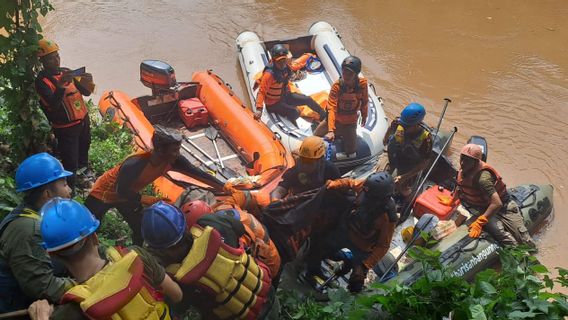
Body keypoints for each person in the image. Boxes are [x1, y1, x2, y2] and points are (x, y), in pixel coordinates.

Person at [38, 198, 182, 319]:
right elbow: (177, 295)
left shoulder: (72, 310)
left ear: (52, 255)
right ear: (95, 237)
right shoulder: (135, 256)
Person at [85, 125, 223, 245]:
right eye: (174, 150)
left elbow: (198, 173)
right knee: (88, 225)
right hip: (105, 193)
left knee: (139, 227)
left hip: (129, 196)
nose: (177, 154)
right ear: (160, 150)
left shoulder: (173, 160)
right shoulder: (135, 164)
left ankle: (137, 253)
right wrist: (144, 199)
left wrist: (223, 186)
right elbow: (120, 190)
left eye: (178, 149)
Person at [141, 202, 277, 320]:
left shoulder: (177, 278)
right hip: (269, 292)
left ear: (159, 249)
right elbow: (239, 228)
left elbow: (181, 307)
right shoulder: (210, 223)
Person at [0, 153, 75, 313]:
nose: (69, 190)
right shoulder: (28, 229)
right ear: (47, 194)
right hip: (14, 308)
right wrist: (84, 283)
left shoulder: (34, 214)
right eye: (64, 184)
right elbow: (43, 287)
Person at [305, 172, 397, 293]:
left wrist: (365, 265)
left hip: (363, 247)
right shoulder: (366, 187)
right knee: (321, 247)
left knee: (357, 281)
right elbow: (349, 182)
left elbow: (383, 245)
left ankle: (351, 290)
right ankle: (313, 271)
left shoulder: (388, 217)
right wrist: (333, 184)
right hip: (346, 231)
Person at [35, 39, 94, 191]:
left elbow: (86, 92)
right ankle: (69, 189)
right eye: (51, 58)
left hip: (82, 120)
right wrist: (60, 85)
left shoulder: (67, 72)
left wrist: (89, 82)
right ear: (42, 61)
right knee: (70, 160)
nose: (56, 60)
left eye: (57, 56)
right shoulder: (41, 81)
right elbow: (53, 104)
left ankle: (84, 174)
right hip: (66, 128)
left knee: (84, 148)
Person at [455, 144, 534, 247]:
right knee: (502, 236)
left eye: (467, 160)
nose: (462, 162)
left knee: (524, 238)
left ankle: (530, 257)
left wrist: (480, 222)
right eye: (462, 158)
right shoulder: (464, 170)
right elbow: (460, 186)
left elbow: (497, 203)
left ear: (475, 162)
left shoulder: (483, 178)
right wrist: (452, 199)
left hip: (504, 207)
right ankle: (514, 250)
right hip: (484, 208)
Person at [181, 199, 281, 278]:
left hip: (270, 264)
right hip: (266, 244)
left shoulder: (232, 234)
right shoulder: (223, 207)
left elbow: (236, 261)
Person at [254, 44, 326, 125]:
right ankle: (290, 121)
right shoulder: (269, 74)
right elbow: (261, 92)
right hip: (274, 103)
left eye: (283, 60)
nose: (282, 63)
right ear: (274, 60)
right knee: (296, 112)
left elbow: (294, 68)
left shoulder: (285, 66)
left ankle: (324, 115)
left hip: (285, 95)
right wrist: (259, 109)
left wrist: (305, 65)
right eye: (279, 61)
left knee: (307, 99)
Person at [314, 56, 368, 160]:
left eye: (350, 73)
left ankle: (340, 134)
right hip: (336, 120)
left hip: (350, 123)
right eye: (344, 71)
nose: (346, 76)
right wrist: (330, 130)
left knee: (351, 151)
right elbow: (332, 109)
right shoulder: (337, 86)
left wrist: (364, 115)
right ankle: (336, 132)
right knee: (315, 136)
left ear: (356, 74)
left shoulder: (362, 84)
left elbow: (365, 101)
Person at [382, 103, 433, 199]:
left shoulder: (426, 138)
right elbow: (385, 140)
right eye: (402, 125)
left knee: (402, 188)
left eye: (406, 126)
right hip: (394, 155)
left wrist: (405, 177)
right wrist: (388, 133)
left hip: (410, 163)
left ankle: (409, 198)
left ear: (417, 125)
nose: (403, 127)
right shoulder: (398, 123)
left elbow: (424, 163)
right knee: (380, 176)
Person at [270, 136, 340, 201]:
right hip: (300, 206)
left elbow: (339, 192)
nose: (305, 165)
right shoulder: (296, 170)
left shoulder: (330, 170)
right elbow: (281, 189)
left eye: (309, 162)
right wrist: (275, 199)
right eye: (303, 160)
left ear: (320, 160)